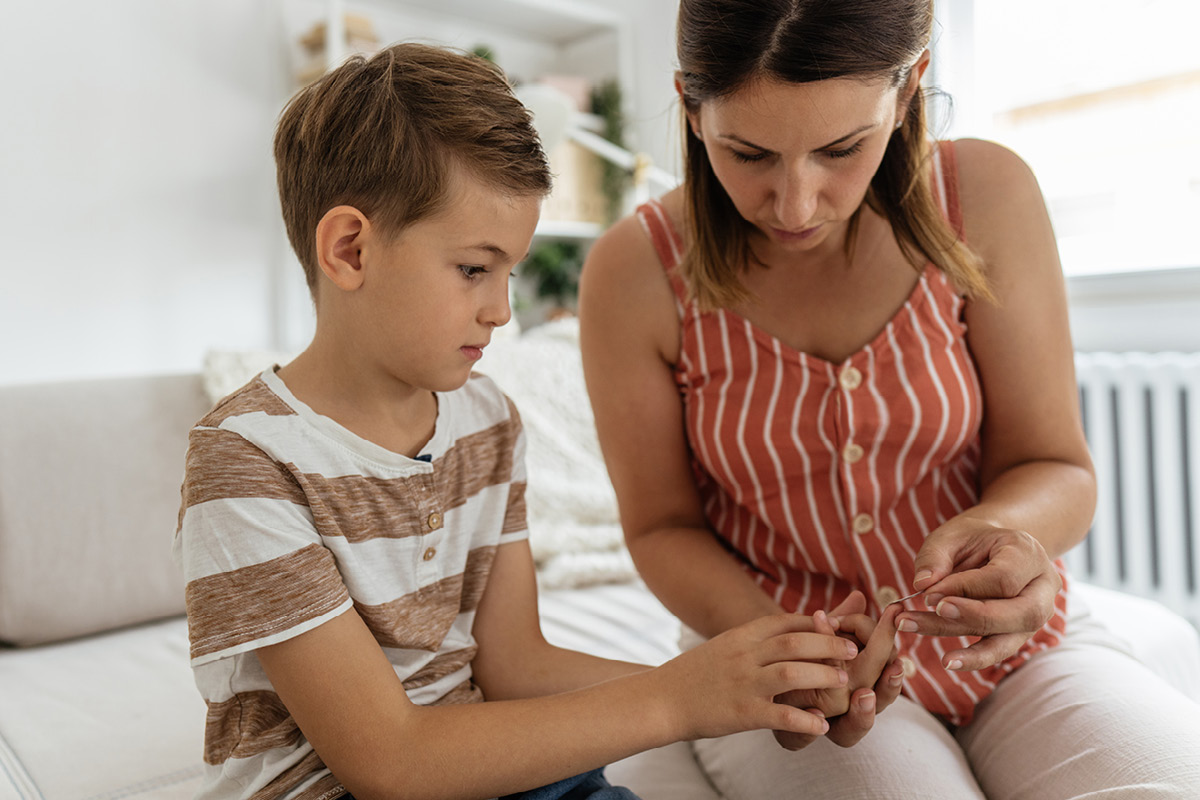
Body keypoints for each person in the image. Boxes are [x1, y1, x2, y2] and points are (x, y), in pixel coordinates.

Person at [171, 42, 902, 800]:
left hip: (504, 774)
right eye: (473, 269)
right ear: (350, 249)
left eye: (511, 270)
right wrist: (680, 698)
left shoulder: (486, 421)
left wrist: (746, 688)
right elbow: (390, 761)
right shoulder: (246, 461)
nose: (502, 310)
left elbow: (513, 664)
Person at [578, 1, 1200, 797]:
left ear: (909, 92)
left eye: (842, 148)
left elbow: (1054, 463)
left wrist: (1004, 533)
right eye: (749, 154)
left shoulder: (986, 193)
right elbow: (662, 526)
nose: (796, 205)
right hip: (782, 660)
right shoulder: (633, 273)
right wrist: (786, 648)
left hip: (1018, 651)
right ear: (693, 111)